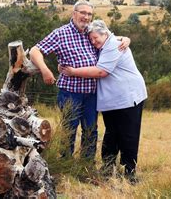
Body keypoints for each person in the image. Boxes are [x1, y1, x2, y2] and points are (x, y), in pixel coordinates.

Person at [29, 1, 129, 159]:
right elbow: (35, 51)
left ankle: (86, 165)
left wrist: (125, 38)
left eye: (89, 14)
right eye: (83, 12)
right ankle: (65, 163)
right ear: (73, 13)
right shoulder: (60, 33)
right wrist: (45, 70)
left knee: (90, 130)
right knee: (69, 129)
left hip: (92, 92)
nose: (86, 17)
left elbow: (109, 38)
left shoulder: (90, 32)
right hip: (71, 92)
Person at [60, 19, 147, 182]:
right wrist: (125, 37)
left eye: (95, 38)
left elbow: (101, 72)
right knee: (111, 134)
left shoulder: (113, 45)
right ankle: (107, 168)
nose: (93, 42)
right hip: (112, 100)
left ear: (105, 34)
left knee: (128, 135)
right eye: (91, 39)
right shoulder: (106, 44)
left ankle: (130, 173)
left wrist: (73, 72)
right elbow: (112, 37)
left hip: (128, 97)